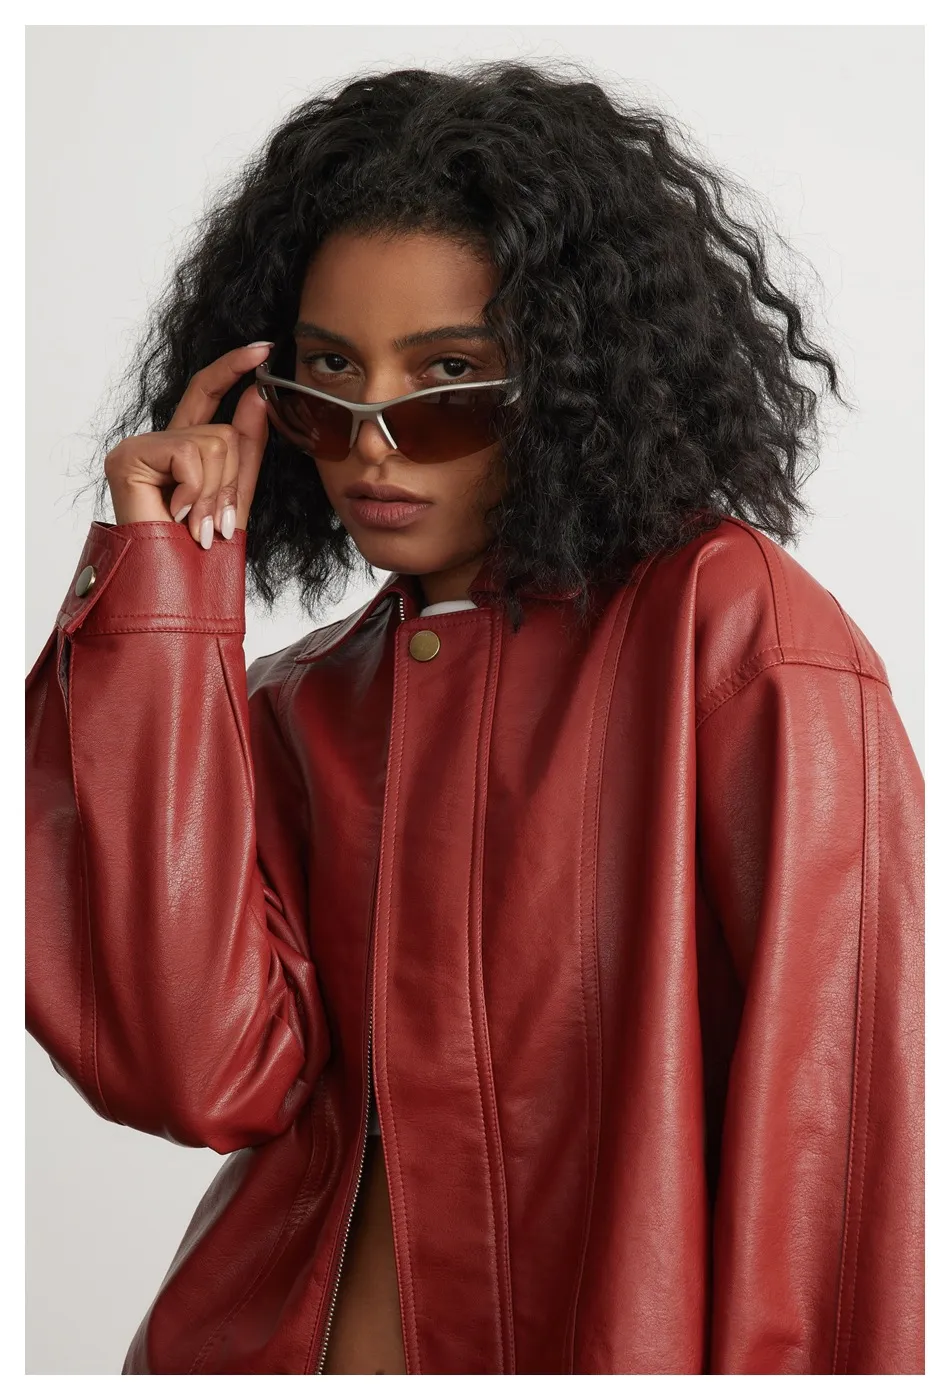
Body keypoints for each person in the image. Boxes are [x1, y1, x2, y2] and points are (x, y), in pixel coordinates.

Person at [25, 59, 924, 1375]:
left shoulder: (734, 635)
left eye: (446, 381)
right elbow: (191, 1072)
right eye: (329, 384)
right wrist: (163, 595)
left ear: (571, 379)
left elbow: (834, 1137)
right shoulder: (300, 705)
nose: (372, 447)